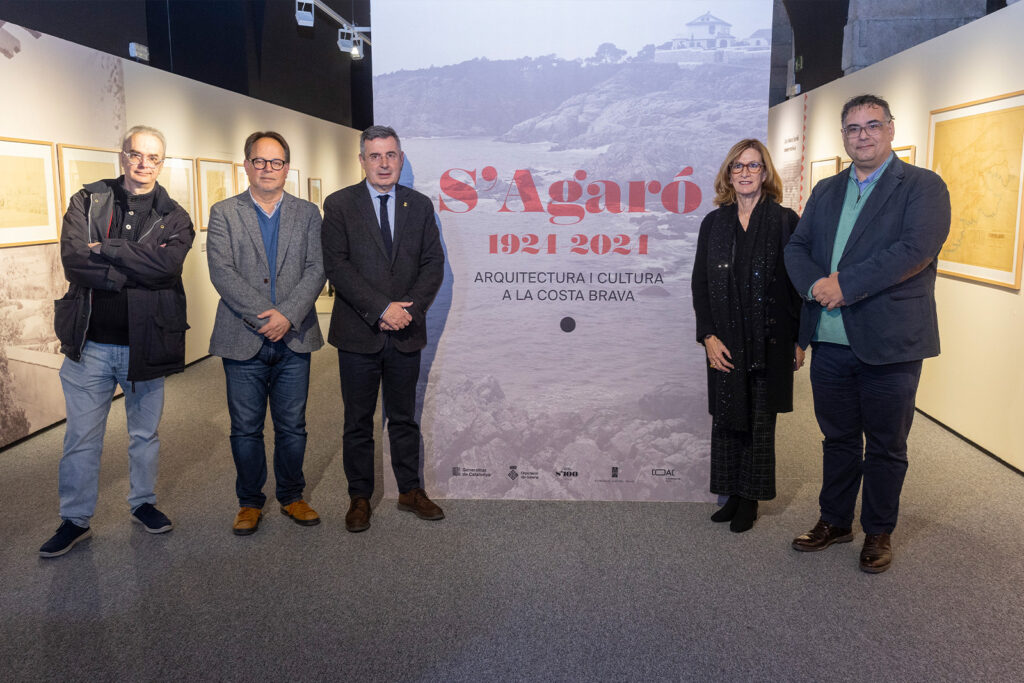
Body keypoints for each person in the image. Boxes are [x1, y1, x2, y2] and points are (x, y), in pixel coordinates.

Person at [784, 94, 950, 573]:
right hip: (831, 343)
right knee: (837, 438)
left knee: (885, 445)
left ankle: (879, 530)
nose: (864, 135)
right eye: (854, 128)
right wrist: (816, 286)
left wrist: (844, 285)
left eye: (873, 125)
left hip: (890, 343)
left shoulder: (922, 186)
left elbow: (914, 250)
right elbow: (797, 248)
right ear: (843, 136)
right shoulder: (826, 190)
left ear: (892, 130)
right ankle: (835, 520)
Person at [41, 125, 194, 558]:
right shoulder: (88, 199)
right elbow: (73, 259)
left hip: (146, 344)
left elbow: (167, 267)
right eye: (136, 155)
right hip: (89, 344)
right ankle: (75, 519)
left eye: (153, 158)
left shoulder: (175, 215)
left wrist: (107, 249)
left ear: (162, 163)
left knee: (144, 434)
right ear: (122, 155)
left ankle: (143, 503)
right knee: (81, 438)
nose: (144, 165)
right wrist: (128, 270)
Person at [321, 125, 445, 533]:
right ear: (362, 161)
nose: (384, 163)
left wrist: (408, 311)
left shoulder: (421, 206)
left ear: (401, 158)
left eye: (391, 155)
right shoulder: (339, 205)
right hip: (359, 333)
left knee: (404, 417)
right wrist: (381, 309)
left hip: (406, 332)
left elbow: (433, 265)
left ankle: (410, 490)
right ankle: (359, 497)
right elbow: (337, 266)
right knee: (358, 421)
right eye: (375, 156)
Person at [207, 131, 326, 536]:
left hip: (294, 337)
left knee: (293, 425)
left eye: (276, 163)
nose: (268, 169)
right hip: (242, 338)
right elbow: (221, 272)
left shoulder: (308, 213)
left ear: (287, 168)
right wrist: (264, 318)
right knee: (245, 427)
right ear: (246, 165)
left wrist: (287, 316)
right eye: (260, 161)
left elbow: (316, 269)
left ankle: (292, 495)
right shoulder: (224, 212)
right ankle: (249, 502)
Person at [691, 139, 803, 533]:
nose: (744, 172)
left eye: (753, 166)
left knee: (759, 422)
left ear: (765, 173)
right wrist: (708, 336)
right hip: (724, 342)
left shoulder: (786, 221)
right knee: (726, 420)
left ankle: (750, 499)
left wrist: (799, 340)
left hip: (769, 340)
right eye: (737, 166)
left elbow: (797, 286)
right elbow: (700, 285)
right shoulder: (714, 223)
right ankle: (731, 493)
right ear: (728, 174)